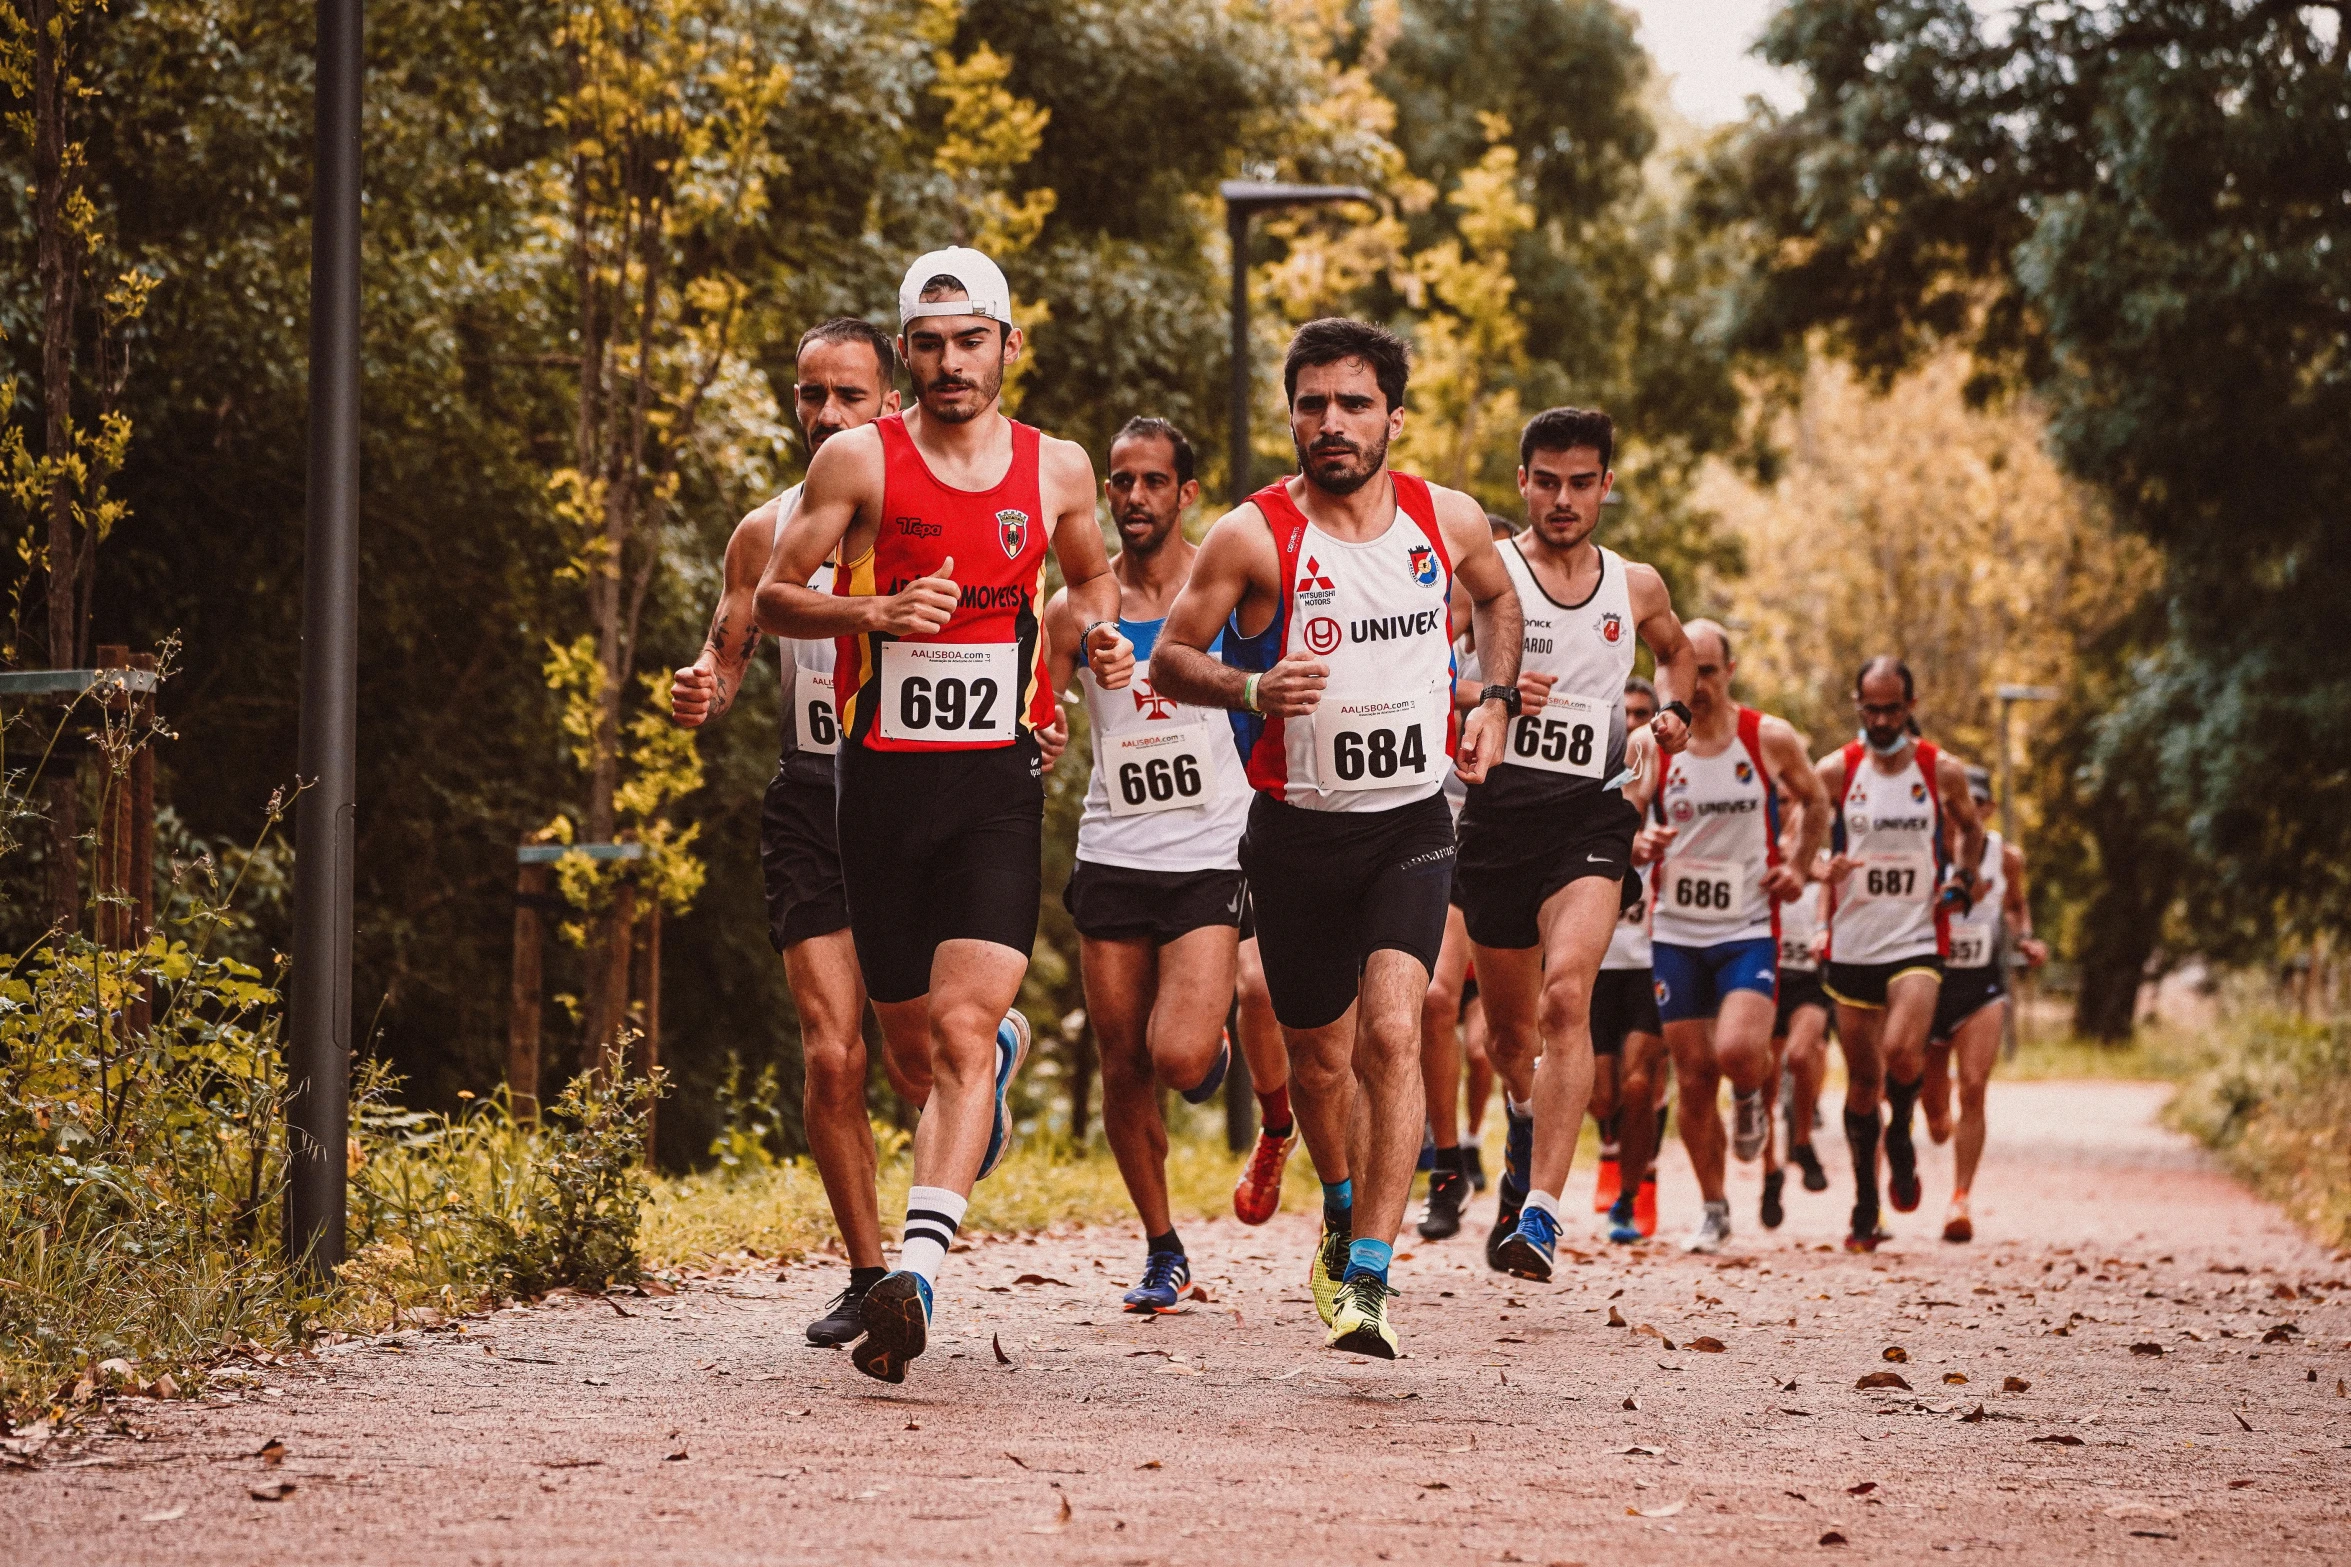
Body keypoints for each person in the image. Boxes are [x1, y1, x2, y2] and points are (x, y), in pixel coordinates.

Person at [755, 247, 1134, 1383]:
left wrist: (1090, 643)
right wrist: (873, 609)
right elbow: (773, 594)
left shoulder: (1058, 469)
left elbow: (1089, 579)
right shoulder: (860, 461)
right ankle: (990, 1074)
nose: (949, 361)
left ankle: (914, 1273)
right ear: (907, 351)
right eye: (928, 343)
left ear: (1009, 347)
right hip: (874, 788)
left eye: (972, 340)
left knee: (961, 1036)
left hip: (992, 787)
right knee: (911, 1056)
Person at [1152, 317, 1525, 1359]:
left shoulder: (1444, 520)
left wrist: (1491, 695)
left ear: (1392, 418)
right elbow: (1172, 659)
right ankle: (1338, 1204)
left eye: (1354, 403)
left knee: (1394, 1033)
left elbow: (1499, 605)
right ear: (1291, 415)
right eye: (1312, 403)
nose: (1331, 422)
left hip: (1409, 820)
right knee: (1316, 1065)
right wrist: (1251, 685)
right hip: (1293, 833)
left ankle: (1368, 1276)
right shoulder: (1249, 534)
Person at [670, 317, 916, 1346]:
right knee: (830, 1054)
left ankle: (985, 1050)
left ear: (888, 404)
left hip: (913, 794)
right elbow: (726, 654)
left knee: (917, 1063)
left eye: (847, 396)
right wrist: (703, 688)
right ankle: (868, 1273)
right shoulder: (762, 531)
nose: (824, 413)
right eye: (811, 393)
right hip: (810, 798)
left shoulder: (923, 520)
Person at [1466, 407, 1696, 1285]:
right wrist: (1483, 693)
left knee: (1569, 1000)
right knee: (1508, 1034)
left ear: (1606, 485)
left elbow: (1678, 656)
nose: (1563, 499)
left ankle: (1542, 1214)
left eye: (1581, 482)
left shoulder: (1633, 585)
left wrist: (1670, 713)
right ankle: (1522, 1118)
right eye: (1547, 481)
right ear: (1522, 482)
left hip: (1590, 816)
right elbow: (1427, 674)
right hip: (1497, 821)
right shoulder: (1489, 575)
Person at [1040, 416, 1251, 1310]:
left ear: (1184, 492)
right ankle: (1162, 1246)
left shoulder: (1230, 587)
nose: (1131, 498)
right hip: (1114, 845)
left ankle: (1211, 1055)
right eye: (1119, 482)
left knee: (1175, 1053)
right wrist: (1041, 730)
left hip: (1210, 848)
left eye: (1151, 482)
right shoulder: (1072, 605)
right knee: (1121, 1059)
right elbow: (1037, 709)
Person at [1645, 620, 1828, 1253]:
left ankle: (1752, 1093)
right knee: (1692, 1076)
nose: (1696, 684)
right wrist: (1639, 839)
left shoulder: (1767, 738)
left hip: (1749, 924)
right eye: (1686, 670)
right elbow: (1626, 813)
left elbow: (1816, 802)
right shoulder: (1657, 745)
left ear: (1730, 672)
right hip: (1675, 930)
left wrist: (1800, 867)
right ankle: (1714, 1206)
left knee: (1737, 1049)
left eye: (1709, 670)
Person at [1815, 658, 1986, 1252]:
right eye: (1871, 708)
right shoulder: (1837, 772)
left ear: (1911, 706)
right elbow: (1797, 833)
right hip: (1853, 941)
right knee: (1862, 1084)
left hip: (1917, 937)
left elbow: (1971, 830)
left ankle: (1904, 1131)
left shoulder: (1941, 770)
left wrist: (1961, 879)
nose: (1881, 719)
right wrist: (1819, 865)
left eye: (1892, 708)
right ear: (1857, 705)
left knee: (1901, 1052)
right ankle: (1866, 1203)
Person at [1921, 767, 2048, 1242]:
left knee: (1974, 1087)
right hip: (1930, 986)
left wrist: (2027, 938)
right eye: (1954, 803)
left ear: (1987, 809)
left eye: (1972, 804)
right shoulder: (1925, 851)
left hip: (1981, 986)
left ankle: (1960, 1200)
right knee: (1935, 1114)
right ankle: (1935, 1109)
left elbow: (2016, 905)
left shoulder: (2005, 857)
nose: (1961, 812)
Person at [1595, 676, 1667, 1245]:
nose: (1638, 724)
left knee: (1640, 1085)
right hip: (1596, 960)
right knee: (1600, 1094)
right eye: (1629, 714)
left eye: (1647, 714)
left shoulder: (1672, 781)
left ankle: (1633, 1192)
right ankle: (1613, 1152)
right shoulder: (1588, 774)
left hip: (1650, 957)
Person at [1769, 851, 1834, 1213]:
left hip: (1809, 981)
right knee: (1766, 1076)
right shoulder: (1761, 851)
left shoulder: (1827, 864)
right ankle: (1770, 1172)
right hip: (1768, 976)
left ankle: (1802, 1140)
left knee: (1800, 1054)